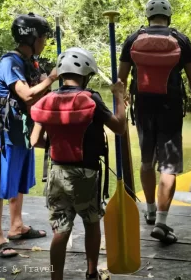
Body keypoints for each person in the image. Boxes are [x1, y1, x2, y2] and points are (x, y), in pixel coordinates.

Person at [30, 47, 128, 280]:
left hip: (56, 174)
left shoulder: (47, 100)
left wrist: (54, 143)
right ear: (85, 75)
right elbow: (120, 128)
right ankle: (91, 273)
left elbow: (34, 140)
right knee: (91, 222)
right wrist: (120, 98)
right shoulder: (91, 98)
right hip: (85, 173)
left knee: (60, 231)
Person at [118, 0, 191, 244]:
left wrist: (123, 97)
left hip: (143, 108)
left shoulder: (132, 39)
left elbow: (121, 79)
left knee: (147, 161)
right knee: (168, 167)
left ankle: (149, 210)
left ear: (148, 16)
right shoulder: (180, 40)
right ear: (169, 16)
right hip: (170, 109)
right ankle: (162, 223)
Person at [0, 13, 56, 258]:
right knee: (0, 184)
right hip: (5, 134)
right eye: (43, 37)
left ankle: (16, 226)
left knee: (20, 181)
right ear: (32, 37)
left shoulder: (31, 62)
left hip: (23, 132)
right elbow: (26, 95)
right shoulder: (10, 62)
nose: (45, 42)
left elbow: (41, 93)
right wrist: (53, 78)